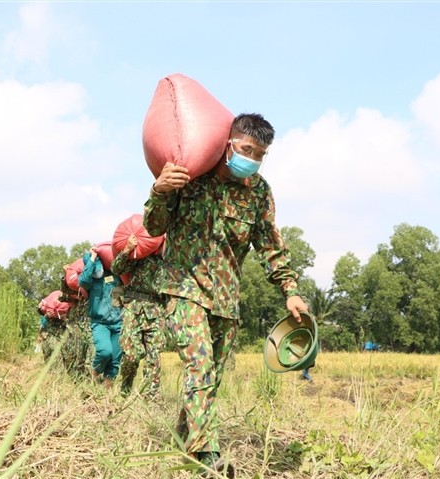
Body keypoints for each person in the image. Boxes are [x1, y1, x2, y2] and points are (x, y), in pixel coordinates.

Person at [143, 112, 309, 477]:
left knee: (210, 378)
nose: (253, 158)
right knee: (199, 366)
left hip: (226, 299)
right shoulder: (191, 176)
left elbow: (270, 245)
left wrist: (290, 290)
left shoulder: (258, 192)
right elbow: (154, 227)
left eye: (261, 154)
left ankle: (185, 441)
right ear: (228, 142)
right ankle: (207, 458)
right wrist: (160, 190)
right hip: (183, 289)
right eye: (247, 149)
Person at [111, 234, 166, 401]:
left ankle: (152, 397)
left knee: (154, 356)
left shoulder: (167, 261)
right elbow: (116, 268)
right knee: (131, 355)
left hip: (156, 311)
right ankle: (125, 388)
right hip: (133, 307)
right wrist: (127, 249)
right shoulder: (138, 255)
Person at [78, 246, 124, 390]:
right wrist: (92, 258)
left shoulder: (118, 276)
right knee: (105, 351)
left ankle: (107, 393)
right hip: (100, 323)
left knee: (115, 360)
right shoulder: (92, 280)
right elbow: (82, 281)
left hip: (118, 322)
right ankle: (94, 375)